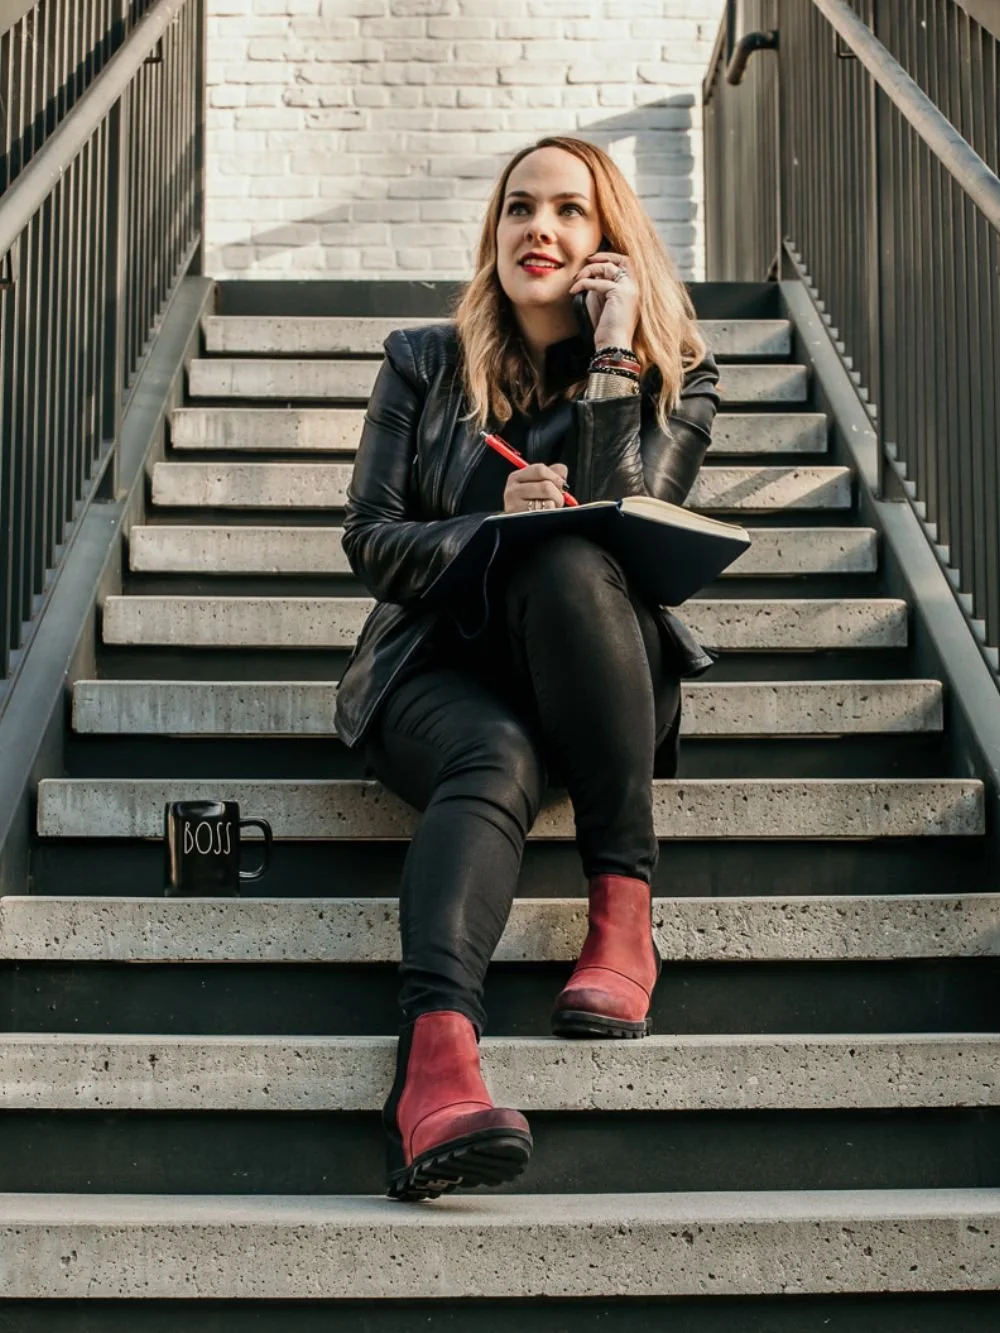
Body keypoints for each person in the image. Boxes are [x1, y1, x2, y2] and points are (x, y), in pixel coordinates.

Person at [335, 136, 721, 1202]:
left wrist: (612, 358)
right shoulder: (422, 360)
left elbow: (632, 534)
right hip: (436, 668)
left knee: (571, 553)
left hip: (591, 663)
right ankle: (436, 1068)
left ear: (609, 240)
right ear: (493, 231)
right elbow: (370, 539)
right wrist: (483, 524)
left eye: (568, 211)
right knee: (492, 753)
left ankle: (621, 914)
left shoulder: (677, 373)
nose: (537, 230)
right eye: (517, 208)